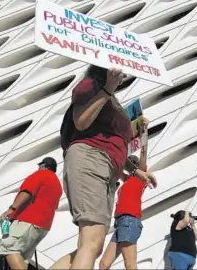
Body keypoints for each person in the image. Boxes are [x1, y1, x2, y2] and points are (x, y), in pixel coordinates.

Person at [50, 66, 157, 270]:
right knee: (92, 240)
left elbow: (115, 143)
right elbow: (81, 122)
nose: (124, 72)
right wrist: (107, 88)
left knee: (92, 245)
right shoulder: (90, 86)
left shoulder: (112, 100)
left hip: (106, 169)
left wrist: (135, 171)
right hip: (91, 159)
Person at [0, 157, 63, 270]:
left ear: (43, 166)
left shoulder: (40, 175)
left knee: (7, 247)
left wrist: (11, 209)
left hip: (27, 220)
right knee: (23, 257)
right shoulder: (57, 185)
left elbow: (27, 192)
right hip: (43, 226)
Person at [99, 117, 149, 270]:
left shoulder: (140, 179)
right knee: (103, 264)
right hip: (121, 222)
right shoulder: (127, 181)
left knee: (130, 265)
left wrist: (144, 131)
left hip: (129, 220)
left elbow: (143, 153)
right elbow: (116, 164)